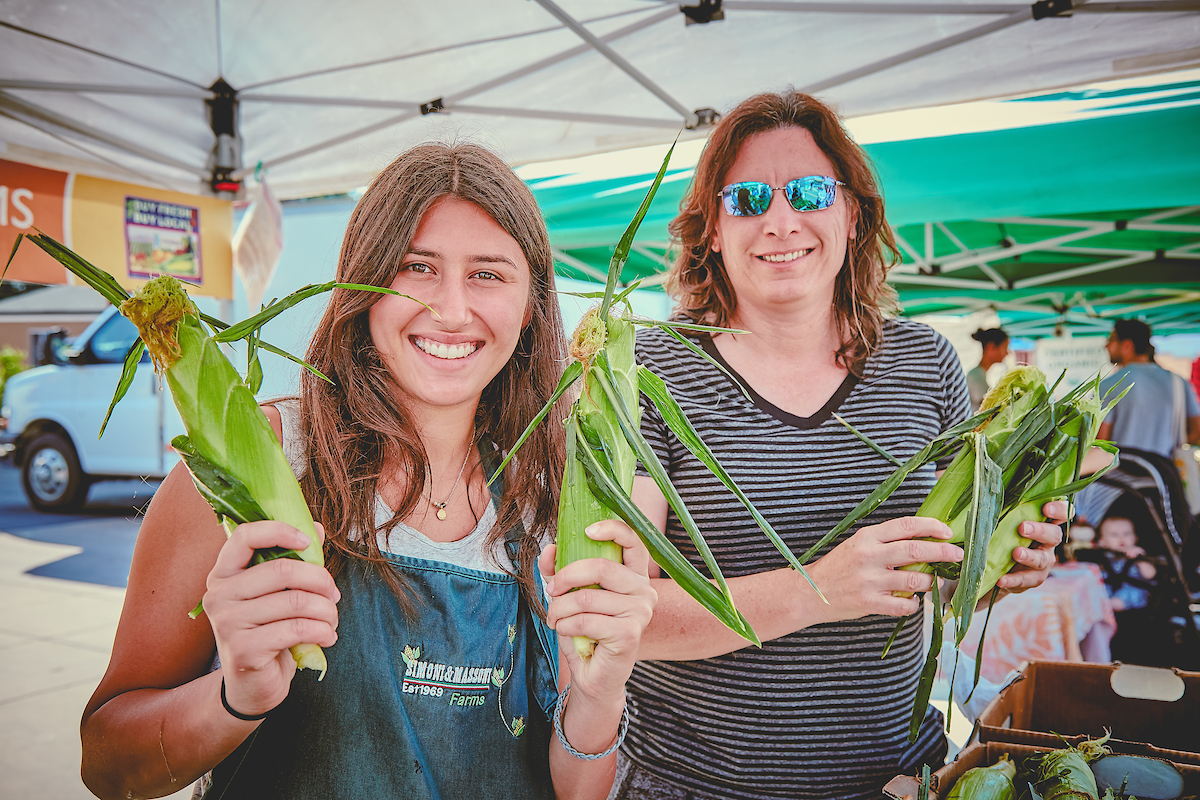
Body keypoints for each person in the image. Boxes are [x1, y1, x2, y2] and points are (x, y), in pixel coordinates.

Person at [79, 143, 656, 799]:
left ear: (529, 307)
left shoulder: (549, 495)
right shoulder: (266, 460)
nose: (451, 308)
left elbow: (577, 791)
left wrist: (602, 690)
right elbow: (106, 759)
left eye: (489, 274)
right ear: (362, 283)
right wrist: (235, 696)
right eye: (417, 267)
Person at [609, 91, 1067, 800]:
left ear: (852, 214)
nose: (780, 220)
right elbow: (623, 617)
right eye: (749, 199)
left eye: (811, 192)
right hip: (696, 786)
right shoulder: (650, 371)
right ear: (710, 231)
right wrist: (815, 589)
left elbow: (940, 579)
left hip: (893, 782)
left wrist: (996, 560)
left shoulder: (925, 364)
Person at [1099, 318, 1200, 458]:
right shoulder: (1178, 382)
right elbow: (1197, 429)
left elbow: (1100, 444)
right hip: (1165, 473)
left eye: (1111, 340)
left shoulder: (1109, 386)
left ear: (1127, 345)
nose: (1107, 346)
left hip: (1120, 475)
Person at [1094, 515, 1156, 613]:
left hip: (1133, 589)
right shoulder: (1105, 556)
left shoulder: (1137, 553)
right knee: (1096, 592)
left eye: (1126, 534)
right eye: (1114, 535)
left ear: (1135, 538)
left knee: (1128, 595)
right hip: (1109, 588)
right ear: (1103, 541)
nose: (1121, 538)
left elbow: (1150, 574)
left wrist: (1140, 559)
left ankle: (1111, 604)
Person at [967, 327, 1009, 410]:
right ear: (991, 347)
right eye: (1005, 347)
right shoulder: (975, 376)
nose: (1007, 353)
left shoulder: (979, 374)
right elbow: (989, 406)